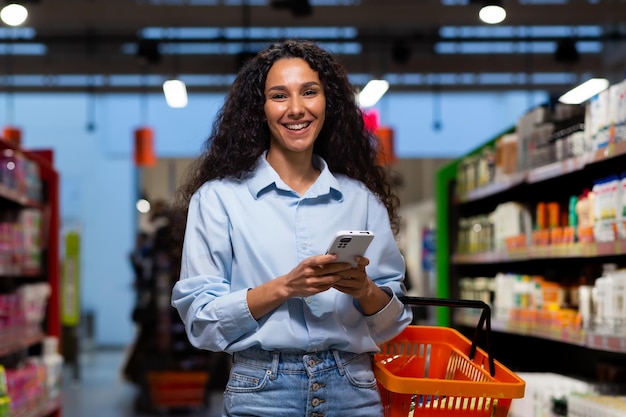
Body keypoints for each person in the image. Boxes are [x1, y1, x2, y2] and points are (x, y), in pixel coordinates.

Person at [170, 39, 412, 417]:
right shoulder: (218, 199)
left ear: (327, 102)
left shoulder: (360, 199)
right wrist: (286, 287)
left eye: (309, 92)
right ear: (260, 109)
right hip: (261, 389)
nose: (297, 109)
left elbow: (393, 322)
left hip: (353, 388)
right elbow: (201, 320)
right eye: (279, 96)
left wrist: (365, 290)